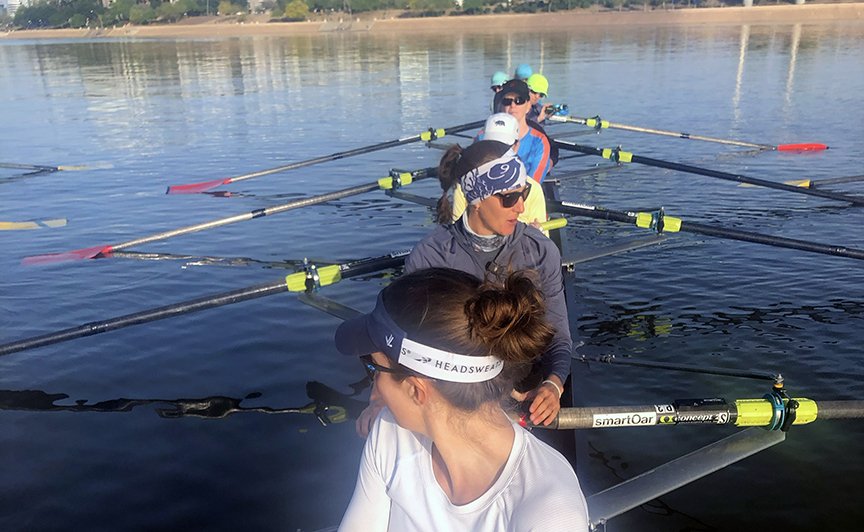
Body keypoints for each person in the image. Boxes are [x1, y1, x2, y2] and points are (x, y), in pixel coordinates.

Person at [336, 268, 589, 532]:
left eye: (375, 369)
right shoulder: (389, 432)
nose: (374, 391)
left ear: (415, 390)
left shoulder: (551, 514)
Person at [452, 113, 548, 231]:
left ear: (516, 146)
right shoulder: (463, 187)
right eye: (491, 146)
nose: (521, 208)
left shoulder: (534, 188)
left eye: (504, 148)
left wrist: (532, 235)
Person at [493, 79, 553, 183]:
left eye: (519, 100)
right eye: (507, 101)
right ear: (501, 106)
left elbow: (533, 185)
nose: (513, 105)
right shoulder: (483, 136)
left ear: (528, 106)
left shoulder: (539, 142)